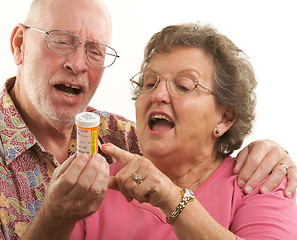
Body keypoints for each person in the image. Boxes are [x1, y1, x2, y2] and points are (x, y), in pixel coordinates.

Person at [0, 0, 295, 239]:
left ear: (226, 116)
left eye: (94, 51)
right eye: (62, 41)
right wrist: (56, 217)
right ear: (19, 44)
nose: (78, 64)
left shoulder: (121, 138)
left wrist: (270, 148)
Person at [70, 23, 297, 239]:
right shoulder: (98, 183)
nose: (157, 95)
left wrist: (173, 199)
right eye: (149, 84)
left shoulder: (258, 181)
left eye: (184, 86)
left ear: (225, 118)